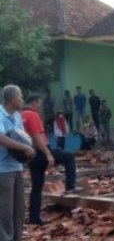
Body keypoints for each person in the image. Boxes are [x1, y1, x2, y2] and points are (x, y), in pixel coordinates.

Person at [22, 95, 78, 226]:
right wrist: (48, 154)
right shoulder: (32, 114)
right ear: (34, 102)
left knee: (36, 187)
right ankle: (70, 187)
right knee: (69, 157)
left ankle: (34, 218)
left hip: (31, 155)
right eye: (39, 104)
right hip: (41, 151)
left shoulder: (20, 115)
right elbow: (36, 135)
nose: (40, 107)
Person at [0, 85, 35, 241]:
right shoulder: (0, 115)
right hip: (2, 168)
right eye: (20, 96)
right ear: (12, 99)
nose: (22, 99)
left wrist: (28, 148)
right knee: (5, 207)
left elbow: (21, 135)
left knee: (19, 205)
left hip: (16, 166)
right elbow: (1, 138)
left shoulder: (16, 116)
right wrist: (24, 147)